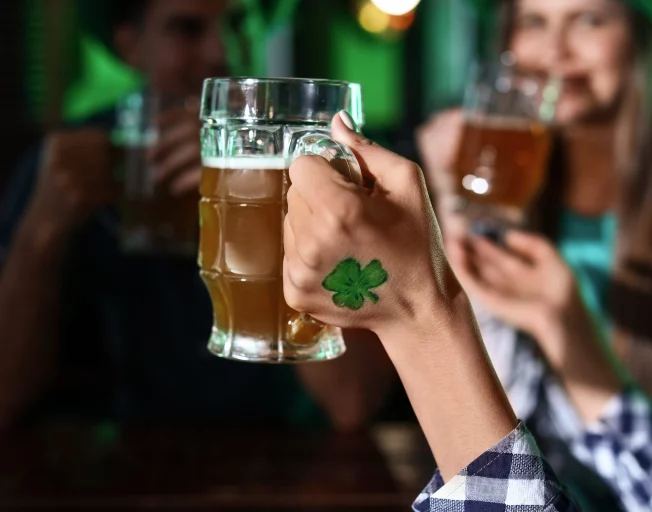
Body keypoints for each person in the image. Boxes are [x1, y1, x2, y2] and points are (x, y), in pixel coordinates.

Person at [285, 15, 652, 502]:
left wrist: (432, 306)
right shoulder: (489, 177)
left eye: (590, 21)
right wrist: (456, 220)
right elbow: (487, 410)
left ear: (644, 39)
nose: (556, 50)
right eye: (535, 22)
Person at [0, 0, 394, 430]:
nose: (219, 52)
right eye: (187, 29)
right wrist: (41, 232)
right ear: (130, 45)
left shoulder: (309, 162)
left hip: (288, 455)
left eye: (239, 22)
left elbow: (354, 400)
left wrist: (260, 198)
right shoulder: (71, 163)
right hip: (112, 460)